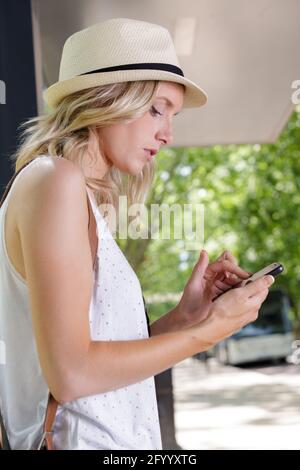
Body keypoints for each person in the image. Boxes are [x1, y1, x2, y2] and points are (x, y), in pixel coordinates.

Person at [0, 18, 274, 450]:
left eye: (173, 115)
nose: (167, 134)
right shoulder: (55, 181)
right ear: (106, 98)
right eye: (155, 108)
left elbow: (99, 361)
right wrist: (210, 331)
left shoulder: (77, 197)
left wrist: (188, 317)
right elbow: (71, 376)